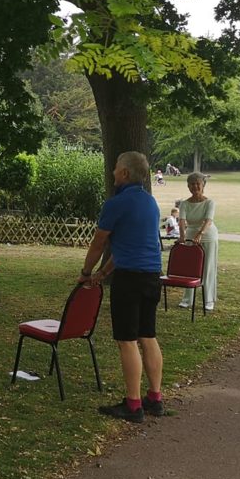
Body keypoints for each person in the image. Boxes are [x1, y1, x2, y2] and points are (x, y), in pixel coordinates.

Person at [78, 151, 165, 424]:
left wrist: (86, 272)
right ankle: (155, 398)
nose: (113, 172)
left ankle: (133, 404)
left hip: (129, 279)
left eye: (116, 168)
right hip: (152, 275)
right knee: (147, 335)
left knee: (126, 340)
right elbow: (130, 245)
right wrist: (104, 272)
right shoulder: (150, 202)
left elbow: (99, 243)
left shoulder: (115, 204)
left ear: (125, 173)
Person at [178, 171, 218, 311]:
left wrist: (200, 233)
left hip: (208, 235)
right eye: (192, 184)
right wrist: (182, 235)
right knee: (191, 268)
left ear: (203, 185)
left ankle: (208, 300)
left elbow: (208, 220)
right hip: (190, 236)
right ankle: (187, 299)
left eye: (198, 184)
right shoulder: (184, 203)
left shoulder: (209, 202)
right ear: (188, 186)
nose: (195, 187)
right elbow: (182, 221)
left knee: (208, 268)